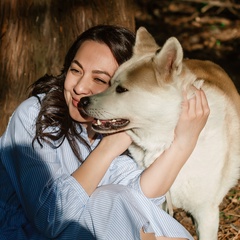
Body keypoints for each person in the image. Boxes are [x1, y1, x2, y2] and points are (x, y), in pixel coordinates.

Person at [0, 25, 210, 240]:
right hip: (22, 233)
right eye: (76, 70)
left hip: (92, 229)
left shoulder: (115, 124)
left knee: (116, 199)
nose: (80, 88)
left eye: (100, 80)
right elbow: (50, 218)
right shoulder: (34, 115)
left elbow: (140, 200)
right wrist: (109, 147)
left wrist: (184, 142)